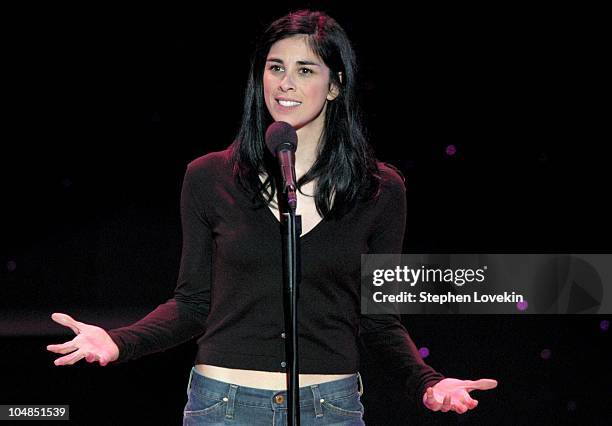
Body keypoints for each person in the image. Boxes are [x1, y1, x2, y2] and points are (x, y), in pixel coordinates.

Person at [47, 9, 497, 425]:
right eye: (275, 67)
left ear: (335, 84)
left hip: (330, 406)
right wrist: (119, 342)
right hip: (223, 404)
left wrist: (429, 381)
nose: (285, 83)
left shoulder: (379, 190)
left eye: (305, 71)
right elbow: (192, 304)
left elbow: (379, 320)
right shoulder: (209, 177)